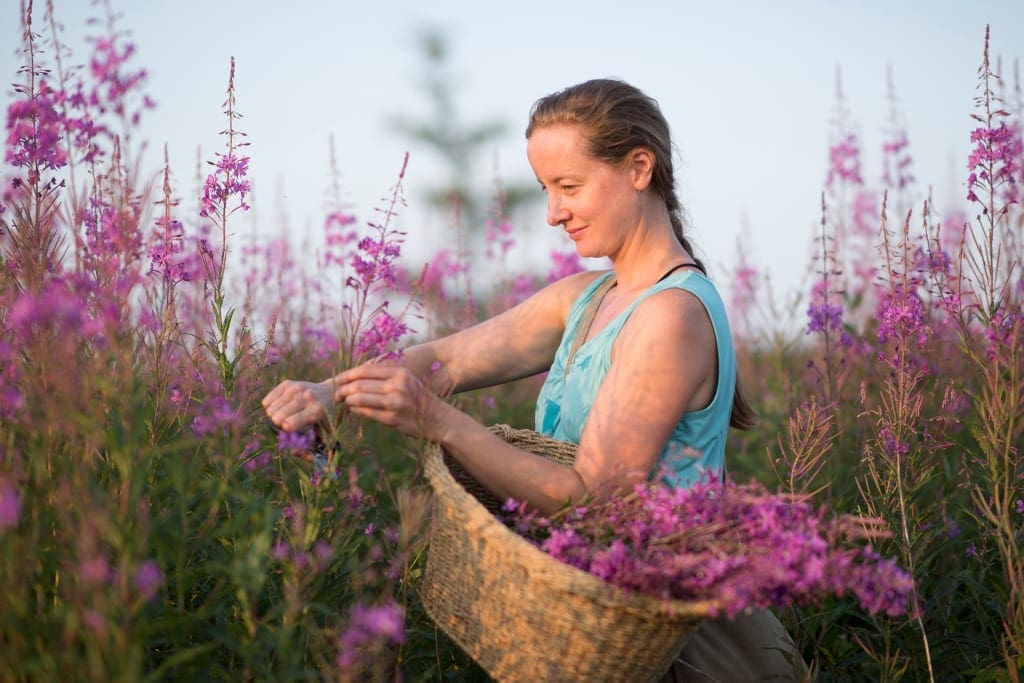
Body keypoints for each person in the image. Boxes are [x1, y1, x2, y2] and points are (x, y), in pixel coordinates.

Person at [263, 78, 806, 681]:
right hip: (587, 621)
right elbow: (445, 361)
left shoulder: (671, 318)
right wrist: (328, 394)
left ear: (638, 168)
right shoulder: (586, 299)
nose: (553, 213)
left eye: (569, 187)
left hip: (667, 643)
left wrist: (442, 425)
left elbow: (592, 498)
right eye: (547, 189)